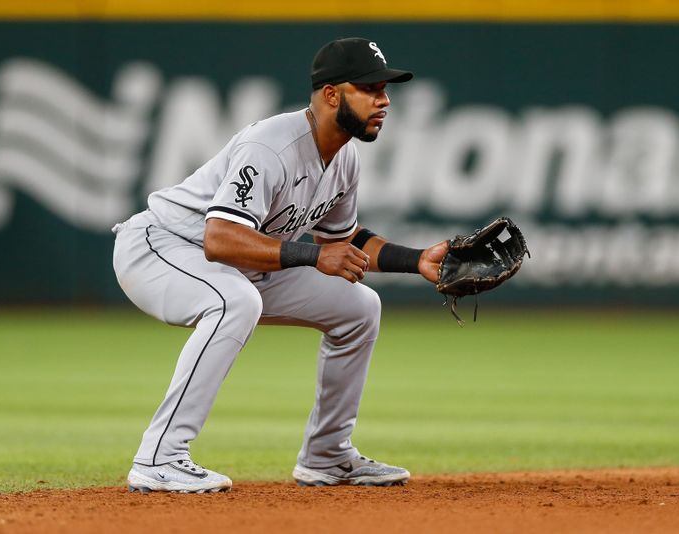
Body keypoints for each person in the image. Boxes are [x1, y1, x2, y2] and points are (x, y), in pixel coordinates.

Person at [112, 37, 448, 493]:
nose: (384, 100)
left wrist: (417, 261)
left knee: (359, 307)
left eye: (384, 89)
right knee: (235, 302)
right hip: (161, 247)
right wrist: (312, 254)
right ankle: (159, 458)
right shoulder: (270, 146)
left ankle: (327, 457)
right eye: (370, 88)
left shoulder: (344, 156)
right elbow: (219, 238)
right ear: (332, 94)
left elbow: (343, 240)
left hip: (240, 263)